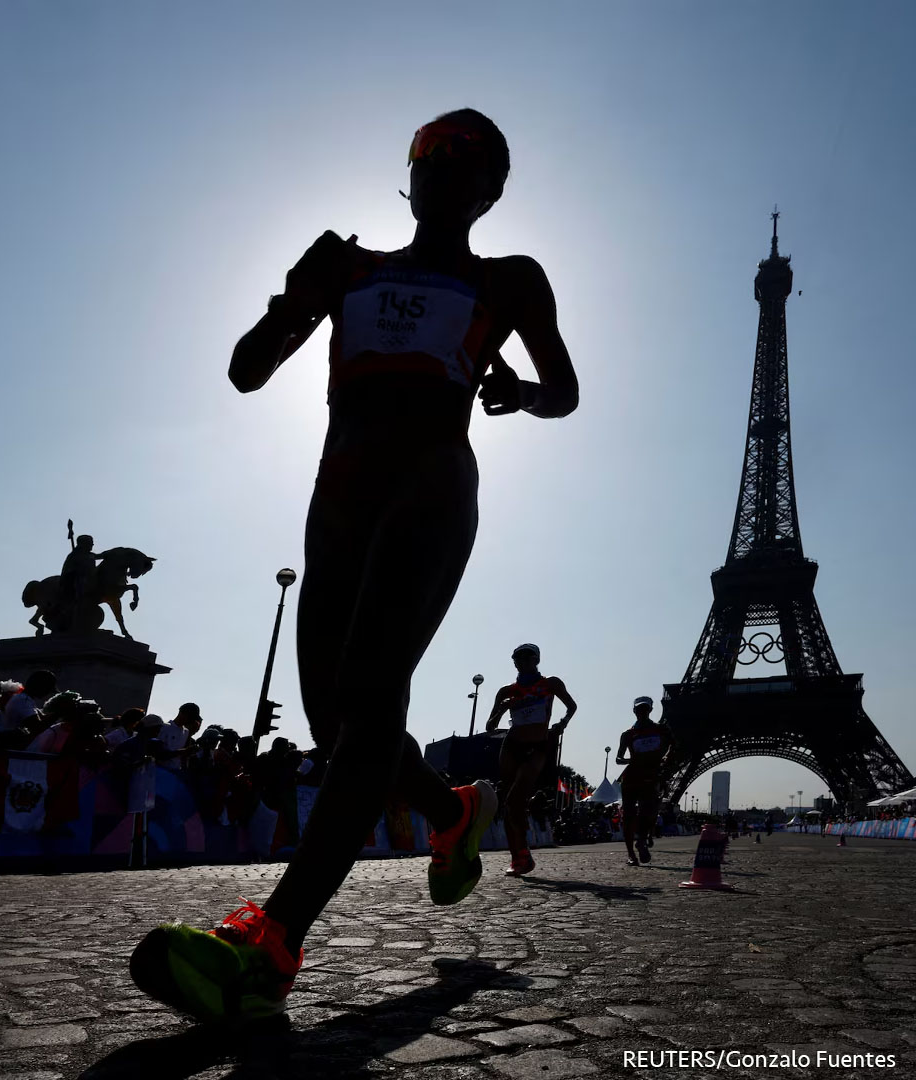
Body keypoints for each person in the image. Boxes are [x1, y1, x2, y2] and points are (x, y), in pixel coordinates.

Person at [129, 108, 579, 1023]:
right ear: (406, 171)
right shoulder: (348, 263)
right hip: (337, 501)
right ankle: (454, 813)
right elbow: (246, 371)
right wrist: (292, 299)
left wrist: (518, 392)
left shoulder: (511, 279)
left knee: (373, 698)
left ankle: (272, 940)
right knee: (338, 732)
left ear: (491, 189)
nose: (439, 167)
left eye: (462, 158)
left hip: (431, 487)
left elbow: (564, 389)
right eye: (425, 152)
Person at [485, 643, 577, 876]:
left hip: (537, 746)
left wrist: (562, 723)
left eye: (528, 658)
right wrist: (503, 710)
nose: (524, 662)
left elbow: (571, 706)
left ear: (537, 660)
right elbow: (490, 726)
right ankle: (518, 858)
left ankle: (523, 853)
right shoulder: (507, 691)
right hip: (512, 745)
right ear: (514, 662)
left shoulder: (550, 683)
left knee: (516, 800)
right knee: (508, 802)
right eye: (519, 658)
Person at [614, 696, 673, 866]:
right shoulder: (628, 734)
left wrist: (665, 758)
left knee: (650, 812)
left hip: (650, 776)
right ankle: (631, 854)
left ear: (650, 710)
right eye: (639, 710)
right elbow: (619, 758)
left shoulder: (661, 730)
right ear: (634, 711)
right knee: (629, 815)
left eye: (645, 709)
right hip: (632, 777)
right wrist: (631, 761)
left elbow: (673, 745)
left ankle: (641, 839)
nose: (642, 712)